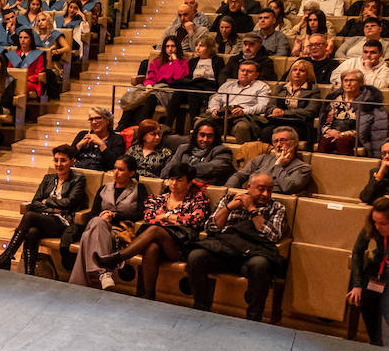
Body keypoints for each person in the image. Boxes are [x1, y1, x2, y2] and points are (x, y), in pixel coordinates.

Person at [96, 163, 211, 299]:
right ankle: (148, 296)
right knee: (152, 247)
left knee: (156, 230)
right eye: (171, 179)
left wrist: (166, 216)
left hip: (180, 247)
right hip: (157, 244)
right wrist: (175, 219)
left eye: (179, 180)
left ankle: (117, 258)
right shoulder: (158, 199)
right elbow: (149, 217)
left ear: (189, 184)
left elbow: (195, 220)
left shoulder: (198, 200)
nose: (173, 183)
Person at [186, 173, 286, 320]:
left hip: (253, 253)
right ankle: (200, 308)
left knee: (261, 265)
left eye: (269, 190)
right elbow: (210, 228)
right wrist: (229, 208)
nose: (266, 194)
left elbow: (273, 236)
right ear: (248, 187)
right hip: (224, 251)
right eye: (261, 189)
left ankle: (254, 317)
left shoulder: (276, 207)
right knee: (196, 256)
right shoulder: (228, 199)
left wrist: (252, 209)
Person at [0, 144, 88, 275]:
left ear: (72, 161)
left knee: (30, 216)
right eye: (56, 160)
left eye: (63, 160)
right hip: (46, 219)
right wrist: (53, 209)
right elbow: (35, 202)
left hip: (63, 223)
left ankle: (6, 257)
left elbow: (69, 203)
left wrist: (48, 201)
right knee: (32, 232)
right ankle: (29, 274)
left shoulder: (78, 179)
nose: (59, 164)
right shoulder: (49, 178)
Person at [66, 156, 147, 290]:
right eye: (114, 168)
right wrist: (102, 216)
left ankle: (79, 285)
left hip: (120, 232)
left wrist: (114, 216)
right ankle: (104, 273)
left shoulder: (139, 189)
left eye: (121, 170)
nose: (115, 172)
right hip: (100, 226)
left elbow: (141, 214)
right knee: (97, 221)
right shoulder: (104, 188)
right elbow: (93, 213)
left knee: (87, 237)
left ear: (131, 173)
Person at [348, 195, 389, 346]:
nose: (377, 227)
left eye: (383, 223)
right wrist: (357, 285)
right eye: (375, 222)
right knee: (366, 300)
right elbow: (357, 251)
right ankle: (375, 343)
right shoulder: (373, 225)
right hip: (377, 271)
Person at [317, 69, 389, 156]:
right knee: (324, 141)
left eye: (352, 80)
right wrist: (329, 131)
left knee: (343, 141)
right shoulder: (334, 99)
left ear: (361, 83)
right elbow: (325, 121)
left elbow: (369, 128)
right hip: (334, 133)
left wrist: (343, 134)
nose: (348, 83)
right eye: (346, 80)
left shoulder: (369, 101)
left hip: (358, 137)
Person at [226, 126, 313, 194]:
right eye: (275, 141)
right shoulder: (262, 158)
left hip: (273, 203)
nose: (279, 144)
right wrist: (227, 191)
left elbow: (288, 188)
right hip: (248, 196)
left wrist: (278, 165)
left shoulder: (303, 168)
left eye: (283, 140)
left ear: (294, 143)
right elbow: (239, 176)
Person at [161, 121, 235, 184]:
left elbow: (210, 170)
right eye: (202, 135)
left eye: (209, 136)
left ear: (215, 137)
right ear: (196, 135)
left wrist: (181, 172)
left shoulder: (223, 151)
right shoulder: (183, 149)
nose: (205, 139)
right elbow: (166, 172)